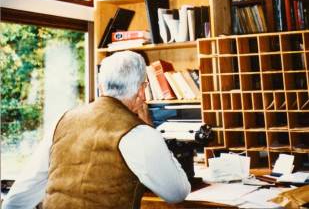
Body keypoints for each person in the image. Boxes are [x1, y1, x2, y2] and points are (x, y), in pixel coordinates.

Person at [3, 50, 191, 209]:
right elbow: (176, 193)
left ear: (101, 86)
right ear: (142, 91)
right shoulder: (140, 133)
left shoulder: (62, 121)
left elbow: (17, 199)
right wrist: (150, 128)